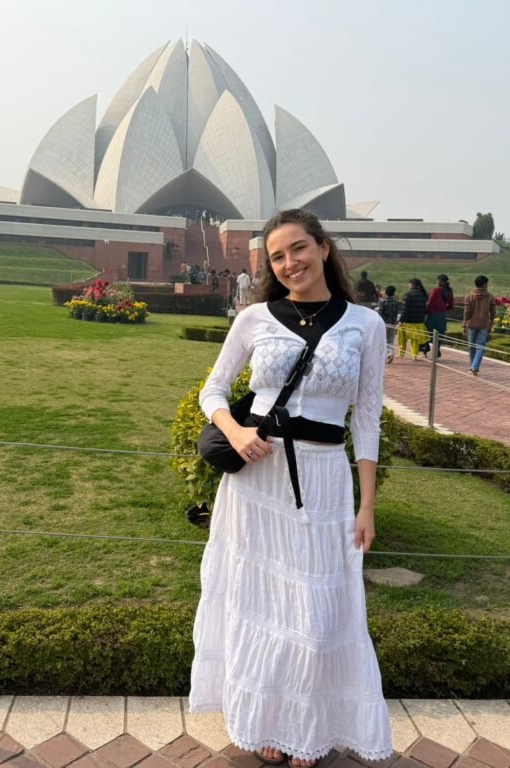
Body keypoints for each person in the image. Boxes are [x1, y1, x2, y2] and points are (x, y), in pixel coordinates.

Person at [190, 209, 393, 766]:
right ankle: (269, 727)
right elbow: (213, 389)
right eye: (277, 257)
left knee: (315, 606)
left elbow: (368, 418)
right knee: (259, 598)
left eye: (298, 249)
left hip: (325, 479)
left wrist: (368, 504)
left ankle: (308, 724)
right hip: (258, 480)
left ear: (324, 248)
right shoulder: (255, 317)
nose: (289, 264)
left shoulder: (365, 325)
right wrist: (236, 430)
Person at [463, 275, 497, 376]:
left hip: (471, 324)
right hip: (483, 324)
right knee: (480, 348)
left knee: (471, 347)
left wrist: (464, 325)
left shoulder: (469, 295)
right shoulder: (490, 297)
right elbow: (493, 313)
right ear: (484, 284)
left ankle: (473, 367)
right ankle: (474, 367)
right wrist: (490, 324)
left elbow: (466, 312)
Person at [420, 274, 455, 358]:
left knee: (428, 332)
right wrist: (443, 309)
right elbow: (451, 305)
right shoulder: (449, 291)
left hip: (432, 314)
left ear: (439, 281)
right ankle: (437, 349)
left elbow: (431, 302)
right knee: (439, 333)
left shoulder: (436, 290)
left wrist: (426, 312)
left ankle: (425, 349)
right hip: (442, 315)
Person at [396, 278, 428, 359]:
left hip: (408, 321)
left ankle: (401, 354)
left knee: (402, 338)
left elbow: (406, 310)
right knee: (415, 340)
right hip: (419, 321)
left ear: (412, 284)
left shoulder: (409, 294)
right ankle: (414, 355)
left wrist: (401, 320)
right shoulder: (423, 294)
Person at [376, 285, 400, 364]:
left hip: (385, 323)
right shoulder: (396, 302)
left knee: (384, 340)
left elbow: (380, 313)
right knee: (391, 340)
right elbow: (397, 313)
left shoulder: (383, 302)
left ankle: (385, 355)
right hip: (393, 323)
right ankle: (391, 353)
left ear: (386, 292)